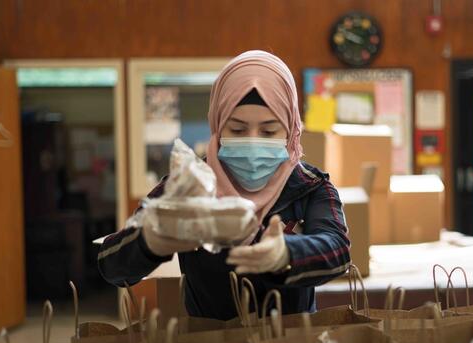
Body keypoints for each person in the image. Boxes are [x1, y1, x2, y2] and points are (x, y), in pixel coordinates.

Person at [98, 50, 351, 320]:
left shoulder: (310, 187)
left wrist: (286, 253)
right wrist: (150, 241)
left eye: (268, 131)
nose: (253, 141)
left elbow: (338, 250)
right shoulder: (187, 186)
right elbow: (111, 265)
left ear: (290, 130)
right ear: (218, 127)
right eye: (238, 130)